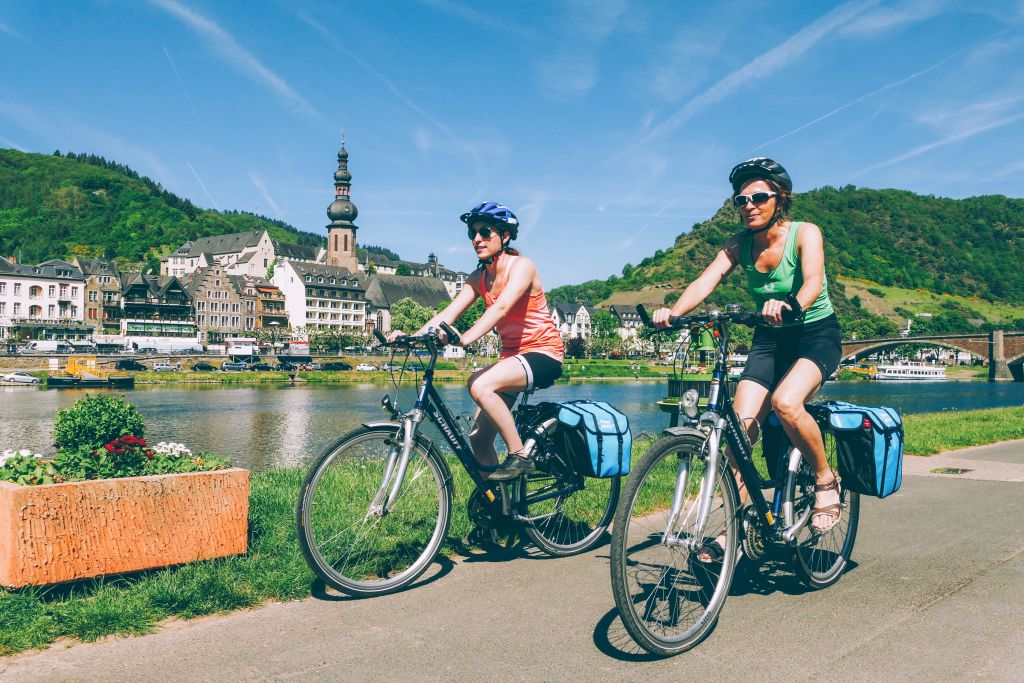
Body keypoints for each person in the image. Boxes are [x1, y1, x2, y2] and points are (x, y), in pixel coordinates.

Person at [652, 157, 843, 559]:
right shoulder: (739, 244)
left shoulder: (805, 233)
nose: (749, 204)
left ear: (780, 198)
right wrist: (674, 312)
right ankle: (734, 530)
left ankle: (826, 479)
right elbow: (707, 278)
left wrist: (791, 304)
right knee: (739, 434)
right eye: (741, 199)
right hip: (770, 339)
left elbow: (813, 281)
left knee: (786, 403)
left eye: (759, 196)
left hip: (814, 334)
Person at [390, 202, 564, 481]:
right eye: (473, 233)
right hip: (513, 359)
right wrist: (411, 336)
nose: (476, 239)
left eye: (485, 232)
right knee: (479, 438)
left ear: (504, 236)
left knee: (479, 383)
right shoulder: (479, 277)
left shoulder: (522, 267)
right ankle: (499, 509)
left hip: (543, 354)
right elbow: (447, 314)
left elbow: (501, 308)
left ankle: (519, 455)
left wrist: (465, 338)